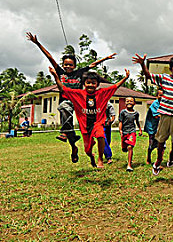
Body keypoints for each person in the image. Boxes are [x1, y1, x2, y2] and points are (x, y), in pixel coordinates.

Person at [27, 32, 116, 163]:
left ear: (74, 66)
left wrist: (106, 58)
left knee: (83, 121)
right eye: (65, 64)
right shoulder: (61, 73)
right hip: (66, 102)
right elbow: (49, 57)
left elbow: (93, 65)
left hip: (80, 102)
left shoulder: (80, 73)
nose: (67, 66)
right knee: (63, 108)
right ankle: (73, 146)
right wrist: (37, 43)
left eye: (70, 65)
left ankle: (96, 148)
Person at [49, 67, 129, 168]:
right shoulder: (78, 94)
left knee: (101, 136)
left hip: (98, 123)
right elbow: (62, 89)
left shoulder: (102, 93)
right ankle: (92, 157)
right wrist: (55, 76)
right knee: (87, 150)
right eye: (88, 82)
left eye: (93, 83)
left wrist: (125, 78)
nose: (91, 85)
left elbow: (115, 86)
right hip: (85, 127)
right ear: (84, 83)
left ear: (97, 84)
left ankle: (100, 159)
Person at [119, 97, 142, 172]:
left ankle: (129, 165)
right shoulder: (123, 112)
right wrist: (120, 130)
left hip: (132, 132)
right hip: (124, 132)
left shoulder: (136, 113)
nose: (129, 102)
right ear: (125, 103)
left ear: (134, 103)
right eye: (127, 101)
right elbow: (121, 122)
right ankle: (124, 146)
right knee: (124, 148)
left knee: (130, 147)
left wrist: (140, 130)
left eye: (131, 101)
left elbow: (137, 122)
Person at [145, 89, 163, 164]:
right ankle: (148, 157)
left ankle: (159, 160)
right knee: (151, 145)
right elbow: (157, 116)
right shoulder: (155, 104)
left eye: (163, 95)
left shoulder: (165, 104)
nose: (162, 97)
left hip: (160, 127)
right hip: (152, 127)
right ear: (157, 96)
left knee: (162, 144)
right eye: (160, 95)